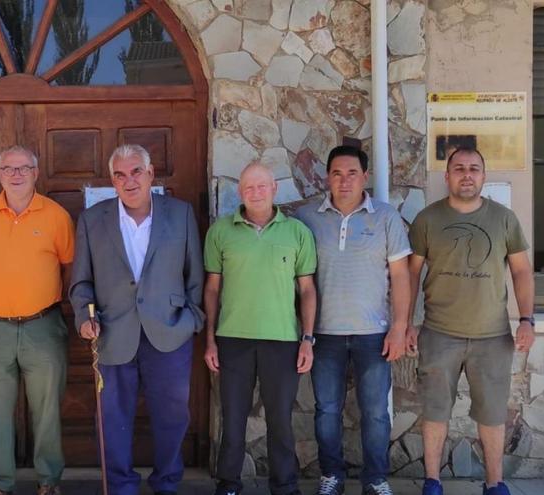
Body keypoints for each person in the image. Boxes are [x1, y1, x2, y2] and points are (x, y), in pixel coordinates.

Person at [69, 144, 205, 495]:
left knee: (173, 418)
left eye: (136, 172)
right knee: (113, 420)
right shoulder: (92, 220)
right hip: (113, 333)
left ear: (150, 174)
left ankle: (167, 484)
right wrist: (84, 318)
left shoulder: (180, 213)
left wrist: (191, 319)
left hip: (170, 332)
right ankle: (120, 487)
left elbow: (195, 276)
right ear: (112, 180)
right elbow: (81, 281)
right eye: (120, 175)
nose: (129, 181)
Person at [406, 148, 535, 495]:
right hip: (438, 334)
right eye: (459, 168)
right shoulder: (427, 220)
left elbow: (522, 271)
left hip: (492, 338)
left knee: (492, 415)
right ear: (446, 176)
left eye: (474, 169)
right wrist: (407, 323)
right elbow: (411, 275)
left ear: (483, 176)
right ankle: (432, 482)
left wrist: (527, 319)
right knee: (435, 411)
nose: (467, 174)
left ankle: (495, 484)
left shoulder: (505, 219)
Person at [295, 146, 412, 495]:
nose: (344, 181)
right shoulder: (306, 218)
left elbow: (401, 277)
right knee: (326, 411)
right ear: (326, 177)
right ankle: (332, 475)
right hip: (323, 335)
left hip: (374, 335)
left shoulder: (386, 217)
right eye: (336, 173)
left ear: (365, 177)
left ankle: (376, 479)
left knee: (376, 413)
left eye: (351, 174)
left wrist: (399, 326)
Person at [0, 146, 75, 495]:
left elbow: (69, 267)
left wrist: (47, 297)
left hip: (43, 326)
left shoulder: (56, 215)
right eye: (8, 168)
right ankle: (1, 481)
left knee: (47, 410)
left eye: (23, 167)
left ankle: (49, 481)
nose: (15, 174)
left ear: (36, 172)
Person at [203, 162, 317, 495]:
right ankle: (228, 484)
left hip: (282, 341)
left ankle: (284, 486)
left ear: (273, 189)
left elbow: (307, 290)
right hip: (232, 339)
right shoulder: (221, 232)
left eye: (262, 186)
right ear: (240, 192)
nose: (255, 193)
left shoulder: (297, 232)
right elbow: (212, 288)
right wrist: (210, 339)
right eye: (249, 187)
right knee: (233, 419)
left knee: (280, 420)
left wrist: (307, 339)